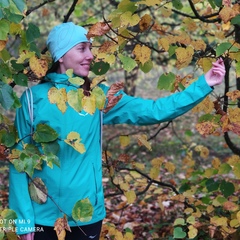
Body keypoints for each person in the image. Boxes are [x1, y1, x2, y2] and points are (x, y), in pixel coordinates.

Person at [9, 22, 225, 240]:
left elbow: (154, 110)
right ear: (61, 56)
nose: (91, 55)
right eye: (82, 48)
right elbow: (19, 162)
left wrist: (204, 84)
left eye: (90, 48)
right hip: (41, 218)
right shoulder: (31, 100)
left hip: (87, 216)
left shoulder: (97, 96)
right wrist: (23, 221)